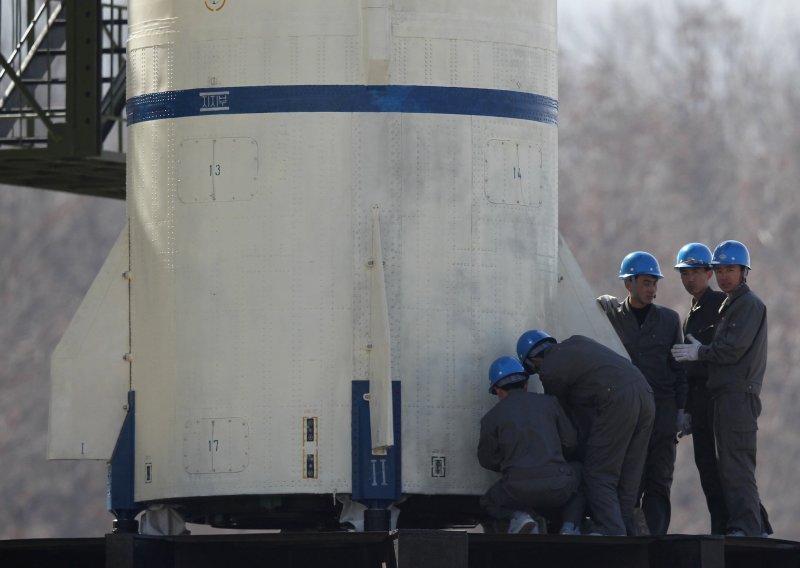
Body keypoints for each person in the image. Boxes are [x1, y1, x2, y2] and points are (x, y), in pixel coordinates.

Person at [672, 240, 769, 537]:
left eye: (730, 269)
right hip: (722, 395)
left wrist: (701, 353)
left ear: (743, 271)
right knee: (722, 468)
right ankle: (739, 528)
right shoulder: (729, 305)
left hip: (736, 395)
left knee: (735, 465)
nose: (725, 275)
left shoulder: (747, 305)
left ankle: (748, 528)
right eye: (721, 269)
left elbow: (731, 350)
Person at [517, 331, 655, 536]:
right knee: (628, 474)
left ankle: (611, 529)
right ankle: (626, 529)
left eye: (534, 368)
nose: (538, 371)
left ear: (533, 360)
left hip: (616, 400)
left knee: (598, 473)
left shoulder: (550, 369)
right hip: (645, 395)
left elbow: (562, 417)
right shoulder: (578, 341)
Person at [597, 251, 687, 535]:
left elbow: (679, 370)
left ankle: (657, 536)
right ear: (629, 284)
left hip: (662, 408)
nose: (652, 290)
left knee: (659, 478)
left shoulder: (669, 321)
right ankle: (629, 535)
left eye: (654, 283)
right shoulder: (611, 316)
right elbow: (592, 307)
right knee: (629, 477)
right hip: (627, 411)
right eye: (646, 283)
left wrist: (682, 410)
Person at [478, 356, 585, 535]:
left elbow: (487, 460)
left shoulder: (491, 417)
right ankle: (570, 527)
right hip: (557, 486)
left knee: (489, 500)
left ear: (497, 390)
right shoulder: (550, 403)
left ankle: (520, 517)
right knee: (580, 473)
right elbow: (571, 442)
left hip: (516, 490)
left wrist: (510, 461)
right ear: (525, 384)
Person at [673, 242, 728, 534]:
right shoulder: (692, 313)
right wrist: (687, 410)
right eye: (684, 273)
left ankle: (746, 527)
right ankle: (721, 529)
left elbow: (724, 355)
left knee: (727, 471)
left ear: (709, 273)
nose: (688, 278)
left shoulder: (722, 306)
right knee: (707, 470)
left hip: (718, 402)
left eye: (695, 272)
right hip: (700, 403)